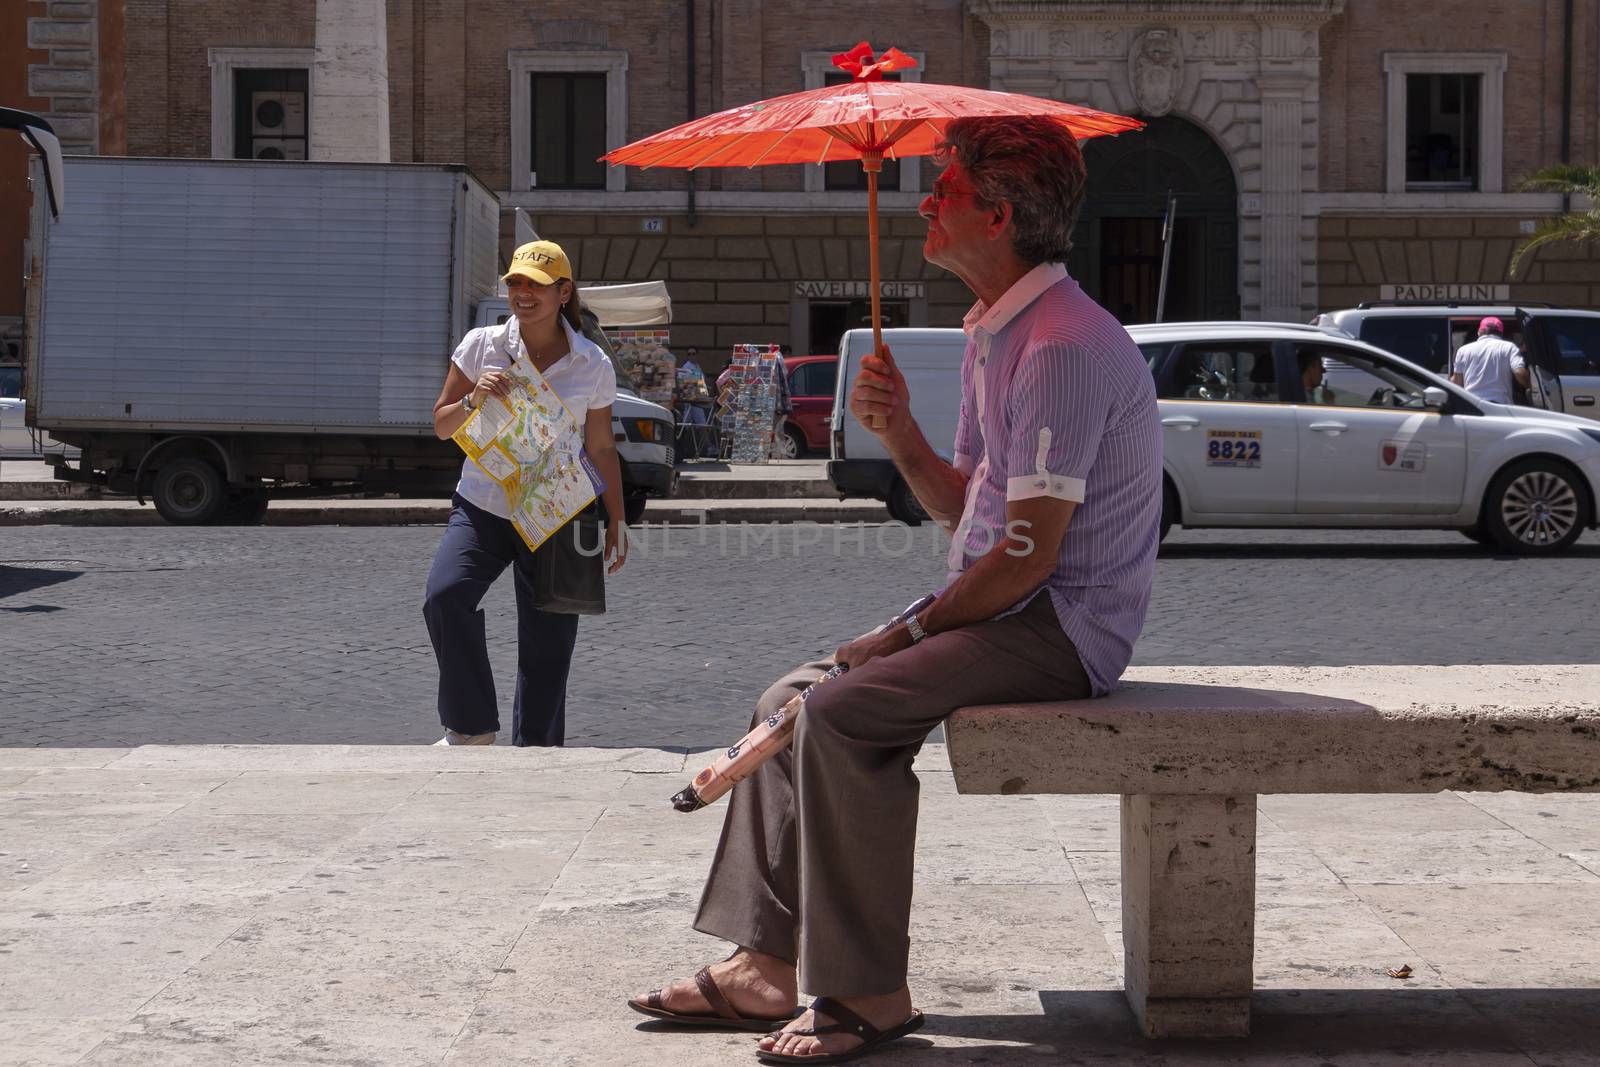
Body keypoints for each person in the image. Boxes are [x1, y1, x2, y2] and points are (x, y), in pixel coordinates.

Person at [628, 115, 1163, 1063]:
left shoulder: (1061, 346)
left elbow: (1031, 560)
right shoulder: (996, 332)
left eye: (947, 187)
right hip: (1007, 601)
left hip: (1060, 625)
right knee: (789, 699)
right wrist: (902, 432)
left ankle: (869, 987)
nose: (926, 199)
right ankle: (764, 964)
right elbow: (974, 516)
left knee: (841, 712)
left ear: (996, 216)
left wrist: (908, 629)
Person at [421, 240, 628, 747]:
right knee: (445, 597)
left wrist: (617, 518)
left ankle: (537, 752)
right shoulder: (481, 345)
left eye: (535, 285)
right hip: (483, 505)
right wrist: (473, 398)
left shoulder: (592, 363)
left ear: (563, 293)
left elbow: (601, 447)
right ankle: (470, 727)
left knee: (548, 643)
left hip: (557, 510)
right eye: (515, 283)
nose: (523, 294)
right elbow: (443, 426)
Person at [1450, 316, 1529, 405]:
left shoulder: (1463, 350)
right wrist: (1531, 386)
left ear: (1479, 332)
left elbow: (1457, 383)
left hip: (1473, 406)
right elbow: (1519, 372)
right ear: (1500, 333)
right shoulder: (1509, 347)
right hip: (1500, 406)